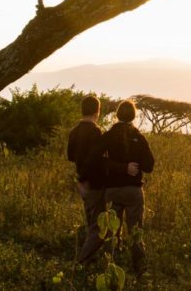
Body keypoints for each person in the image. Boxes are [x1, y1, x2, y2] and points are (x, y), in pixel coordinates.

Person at [65, 95, 137, 264]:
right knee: (97, 228)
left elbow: (70, 156)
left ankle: (90, 260)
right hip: (95, 184)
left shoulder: (74, 131)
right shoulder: (96, 131)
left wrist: (80, 178)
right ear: (97, 111)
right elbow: (97, 159)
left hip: (82, 183)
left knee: (91, 221)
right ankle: (81, 262)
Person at [92, 99, 155, 274]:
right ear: (133, 116)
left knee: (112, 232)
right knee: (135, 232)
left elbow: (96, 158)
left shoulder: (109, 135)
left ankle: (110, 268)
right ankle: (140, 271)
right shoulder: (139, 137)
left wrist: (118, 167)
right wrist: (131, 167)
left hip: (112, 191)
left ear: (117, 115)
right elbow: (149, 166)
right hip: (134, 192)